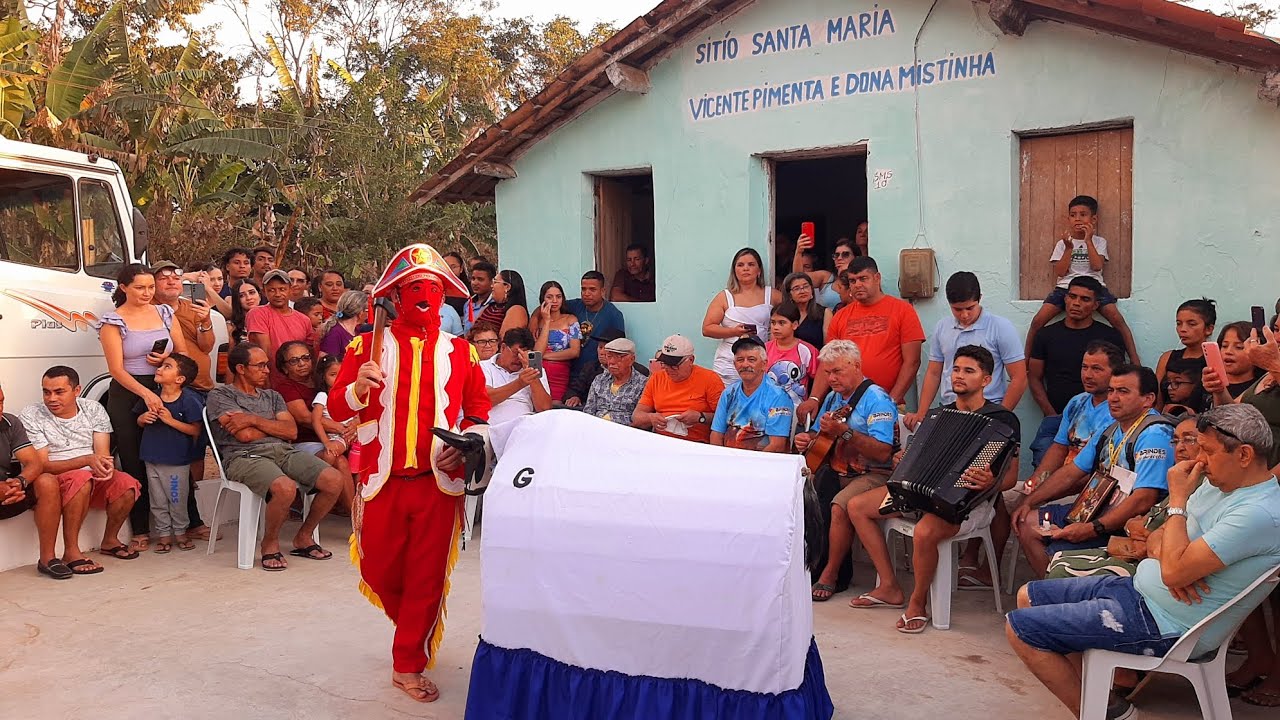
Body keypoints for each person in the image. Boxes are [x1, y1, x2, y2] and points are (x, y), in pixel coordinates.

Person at [1006, 404, 1280, 720]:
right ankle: (1104, 703)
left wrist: (1177, 505)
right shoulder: (1218, 485)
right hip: (1144, 591)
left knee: (1020, 629)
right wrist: (1173, 560)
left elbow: (1174, 566)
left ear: (1244, 455)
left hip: (1169, 624)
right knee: (1027, 596)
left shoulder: (1257, 513)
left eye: (1207, 450)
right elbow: (1154, 538)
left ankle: (1102, 714)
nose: (1198, 459)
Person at [327, 244, 491, 704]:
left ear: (445, 297)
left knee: (426, 578)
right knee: (378, 568)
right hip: (381, 480)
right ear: (395, 297)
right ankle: (414, 626)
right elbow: (338, 407)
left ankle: (408, 661)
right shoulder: (366, 345)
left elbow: (478, 414)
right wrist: (358, 388)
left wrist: (466, 447)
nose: (424, 296)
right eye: (414, 288)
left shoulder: (461, 352)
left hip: (439, 486)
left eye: (433, 289)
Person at [843, 346, 1020, 631]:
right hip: (920, 494)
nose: (959, 376)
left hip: (967, 501)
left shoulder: (1002, 421)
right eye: (956, 369)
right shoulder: (939, 415)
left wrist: (991, 482)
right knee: (857, 507)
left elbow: (1010, 477)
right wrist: (904, 459)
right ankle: (889, 585)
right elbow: (918, 456)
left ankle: (918, 602)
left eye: (969, 371)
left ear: (986, 379)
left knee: (925, 532)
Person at [959, 340, 1125, 591]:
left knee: (1019, 506)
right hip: (1059, 479)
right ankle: (985, 568)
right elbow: (1058, 448)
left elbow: (1091, 473)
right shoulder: (1078, 402)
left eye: (1097, 369)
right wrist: (1036, 481)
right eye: (1084, 367)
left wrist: (1040, 494)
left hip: (1085, 487)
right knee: (998, 494)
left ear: (1115, 373)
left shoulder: (1116, 411)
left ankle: (1051, 586)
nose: (1087, 375)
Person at [1012, 365, 1177, 579]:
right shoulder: (1111, 428)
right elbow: (1072, 472)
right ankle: (1054, 592)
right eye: (1111, 390)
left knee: (1056, 544)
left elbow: (1143, 499)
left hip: (1127, 524)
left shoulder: (1155, 434)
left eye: (1123, 391)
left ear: (1148, 399)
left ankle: (1061, 591)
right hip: (1098, 509)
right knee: (1028, 522)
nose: (1113, 398)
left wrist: (1092, 528)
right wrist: (1029, 500)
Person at [207, 344, 341, 570]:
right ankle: (269, 543)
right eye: (260, 366)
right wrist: (272, 427)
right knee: (285, 488)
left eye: (267, 365)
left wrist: (253, 419)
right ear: (241, 368)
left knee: (334, 480)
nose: (267, 370)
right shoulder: (221, 395)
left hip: (282, 451)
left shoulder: (272, 396)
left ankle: (304, 536)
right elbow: (245, 436)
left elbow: (291, 432)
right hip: (243, 456)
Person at [97, 264, 188, 552]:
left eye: (151, 287)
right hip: (128, 392)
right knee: (133, 458)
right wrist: (146, 394)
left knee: (172, 452)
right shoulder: (113, 321)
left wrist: (165, 357)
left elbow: (183, 353)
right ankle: (140, 526)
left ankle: (187, 522)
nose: (147, 293)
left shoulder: (164, 312)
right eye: (140, 287)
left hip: (165, 384)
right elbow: (116, 369)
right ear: (123, 287)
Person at [799, 340, 898, 601]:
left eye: (837, 372)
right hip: (838, 469)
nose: (831, 378)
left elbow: (883, 452)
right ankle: (807, 564)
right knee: (801, 493)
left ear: (856, 366)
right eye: (827, 373)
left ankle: (830, 574)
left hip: (874, 474)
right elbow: (825, 438)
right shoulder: (833, 397)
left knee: (840, 505)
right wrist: (809, 438)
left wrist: (846, 433)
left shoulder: (876, 399)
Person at [1044, 416, 1200, 581]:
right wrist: (1131, 526)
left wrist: (1145, 535)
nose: (1180, 448)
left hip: (1150, 563)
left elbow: (1151, 510)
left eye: (1189, 440)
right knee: (1057, 558)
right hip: (1132, 543)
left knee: (1061, 569)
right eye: (1176, 441)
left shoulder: (1200, 484)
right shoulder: (1179, 476)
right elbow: (1140, 521)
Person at [19, 366, 143, 572]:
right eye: (46, 392)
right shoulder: (32, 414)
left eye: (59, 392)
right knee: (81, 479)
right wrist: (86, 460)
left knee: (126, 484)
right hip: (54, 476)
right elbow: (41, 465)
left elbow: (102, 454)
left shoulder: (93, 408)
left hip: (88, 471)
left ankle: (110, 540)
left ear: (77, 390)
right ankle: (71, 551)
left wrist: (105, 468)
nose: (51, 398)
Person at [1023, 195, 1140, 364]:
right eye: (1073, 214)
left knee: (1118, 321)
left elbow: (1097, 266)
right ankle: (1025, 361)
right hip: (1065, 288)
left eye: (1083, 214)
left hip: (1094, 287)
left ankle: (1135, 360)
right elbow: (1061, 272)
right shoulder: (1063, 244)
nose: (1077, 219)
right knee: (1037, 321)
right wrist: (1069, 248)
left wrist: (1088, 241)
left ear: (1094, 219)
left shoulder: (1099, 242)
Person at [905, 272, 1026, 430]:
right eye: (957, 309)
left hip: (988, 412)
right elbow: (934, 373)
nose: (965, 315)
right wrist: (921, 413)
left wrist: (1000, 417)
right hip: (949, 412)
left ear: (980, 299)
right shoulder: (942, 327)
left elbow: (1019, 377)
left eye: (970, 308)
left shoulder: (1001, 327)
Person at [1027, 276, 1126, 465]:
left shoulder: (1109, 336)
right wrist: (1050, 413)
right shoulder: (1046, 335)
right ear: (1065, 299)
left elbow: (1119, 377)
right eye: (1072, 296)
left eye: (1085, 299)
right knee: (1043, 468)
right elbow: (1034, 377)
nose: (1076, 303)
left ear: (1096, 305)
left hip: (1101, 419)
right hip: (1056, 417)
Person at [808, 257, 924, 411]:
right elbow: (828, 362)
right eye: (853, 281)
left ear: (877, 278)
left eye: (863, 278)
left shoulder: (903, 310)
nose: (858, 285)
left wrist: (890, 402)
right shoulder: (840, 316)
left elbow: (912, 362)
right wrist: (814, 399)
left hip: (889, 402)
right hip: (846, 406)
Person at [0, 382, 76, 579]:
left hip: (10, 491)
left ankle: (48, 559)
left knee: (47, 481)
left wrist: (19, 483)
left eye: (1, 402)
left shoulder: (10, 423)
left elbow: (33, 462)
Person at [274, 341, 355, 514]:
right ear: (284, 367)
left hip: (336, 439)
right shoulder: (287, 387)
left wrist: (354, 425)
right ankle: (355, 519)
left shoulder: (325, 380)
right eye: (294, 361)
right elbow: (304, 418)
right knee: (339, 460)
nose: (302, 363)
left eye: (305, 358)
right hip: (306, 442)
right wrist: (342, 428)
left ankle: (354, 510)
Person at [136, 354, 205, 553]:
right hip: (152, 458)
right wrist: (143, 417)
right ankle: (164, 535)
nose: (159, 369)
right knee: (157, 500)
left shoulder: (189, 399)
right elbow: (138, 421)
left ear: (179, 379)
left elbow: (196, 430)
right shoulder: (151, 396)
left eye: (167, 366)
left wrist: (169, 420)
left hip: (176, 461)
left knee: (176, 498)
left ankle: (181, 532)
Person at [702, 248, 782, 385]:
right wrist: (734, 331)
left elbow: (787, 321)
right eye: (740, 265)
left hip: (762, 360)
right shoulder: (724, 297)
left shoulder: (773, 295)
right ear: (734, 271)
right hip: (729, 362)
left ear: (759, 270)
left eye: (751, 264)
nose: (746, 268)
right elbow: (707, 329)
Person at [632, 334, 725, 443]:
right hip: (661, 440)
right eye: (665, 364)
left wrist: (701, 417)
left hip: (696, 442)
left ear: (691, 360)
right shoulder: (657, 378)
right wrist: (651, 418)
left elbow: (725, 419)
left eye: (674, 365)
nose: (668, 369)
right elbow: (637, 416)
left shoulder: (710, 379)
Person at [709, 337, 793, 452]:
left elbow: (777, 446)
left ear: (764, 364)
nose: (745, 364)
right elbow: (716, 434)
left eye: (751, 359)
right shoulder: (729, 393)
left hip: (762, 463)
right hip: (727, 460)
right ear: (734, 364)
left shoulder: (778, 396)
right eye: (740, 360)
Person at [247, 269, 314, 387]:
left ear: (290, 289)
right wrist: (267, 384)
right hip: (268, 382)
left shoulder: (304, 320)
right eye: (271, 290)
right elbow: (265, 351)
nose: (277, 294)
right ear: (264, 292)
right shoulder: (257, 314)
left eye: (282, 289)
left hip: (298, 383)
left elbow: (309, 353)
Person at [1155, 297, 1216, 412]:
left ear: (1208, 329)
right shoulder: (1167, 358)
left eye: (1191, 324)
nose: (1183, 329)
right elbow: (1157, 400)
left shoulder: (1213, 359)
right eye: (1179, 324)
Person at [481, 327, 553, 425]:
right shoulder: (483, 366)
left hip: (524, 425)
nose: (519, 359)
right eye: (516, 353)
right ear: (502, 348)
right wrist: (520, 383)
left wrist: (532, 378)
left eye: (524, 354)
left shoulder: (535, 370)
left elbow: (544, 409)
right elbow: (485, 400)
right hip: (489, 426)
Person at [564, 328, 649, 408]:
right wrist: (574, 397)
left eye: (606, 349)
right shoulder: (591, 368)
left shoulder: (641, 374)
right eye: (600, 347)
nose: (602, 352)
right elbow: (574, 389)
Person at [565, 270, 626, 377]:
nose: (586, 293)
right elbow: (551, 305)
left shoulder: (614, 315)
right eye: (583, 289)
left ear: (603, 291)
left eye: (592, 289)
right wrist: (534, 319)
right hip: (571, 373)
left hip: (599, 374)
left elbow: (619, 349)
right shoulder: (575, 306)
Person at [529, 281, 582, 402]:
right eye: (549, 297)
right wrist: (546, 321)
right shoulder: (537, 322)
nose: (554, 300)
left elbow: (575, 351)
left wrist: (546, 355)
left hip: (559, 375)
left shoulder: (571, 320)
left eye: (558, 296)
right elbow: (536, 354)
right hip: (538, 374)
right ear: (543, 299)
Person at [581, 337, 648, 426]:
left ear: (632, 359)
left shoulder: (643, 384)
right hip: (596, 428)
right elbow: (588, 412)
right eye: (609, 357)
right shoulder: (599, 379)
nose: (612, 362)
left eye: (618, 357)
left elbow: (640, 421)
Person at [765, 302, 819, 406]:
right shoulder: (764, 349)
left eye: (782, 323)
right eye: (773, 322)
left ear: (794, 325)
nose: (775, 327)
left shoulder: (807, 350)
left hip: (797, 409)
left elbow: (820, 379)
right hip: (768, 407)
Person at [1206, 321, 1267, 403]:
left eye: (1239, 347)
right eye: (1224, 346)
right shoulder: (1209, 382)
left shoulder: (1262, 387)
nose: (1228, 351)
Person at [794, 236, 857, 310]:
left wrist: (848, 271)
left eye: (845, 254)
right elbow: (799, 278)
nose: (839, 258)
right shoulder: (827, 277)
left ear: (855, 257)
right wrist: (799, 251)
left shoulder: (860, 279)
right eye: (836, 255)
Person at [781, 272, 831, 349]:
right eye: (797, 288)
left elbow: (828, 346)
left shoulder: (825, 313)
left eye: (806, 286)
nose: (802, 291)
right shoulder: (781, 314)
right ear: (789, 294)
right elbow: (775, 343)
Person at [316, 290, 369, 360]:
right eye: (367, 310)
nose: (368, 314)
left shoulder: (356, 330)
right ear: (360, 312)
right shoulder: (334, 333)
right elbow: (325, 364)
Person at [478, 268, 529, 336]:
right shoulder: (490, 307)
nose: (491, 286)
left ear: (507, 287)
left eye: (495, 282)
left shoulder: (516, 310)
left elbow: (505, 340)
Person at [463, 261, 497, 331]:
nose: (475, 283)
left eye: (480, 279)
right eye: (473, 278)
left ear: (492, 281)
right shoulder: (468, 303)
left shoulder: (496, 305)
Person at [227, 280, 262, 348]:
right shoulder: (231, 327)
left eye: (252, 293)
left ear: (259, 296)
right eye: (242, 295)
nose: (249, 298)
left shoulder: (271, 319)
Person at [441, 251, 469, 317]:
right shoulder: (435, 288)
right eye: (446, 266)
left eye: (453, 267)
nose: (449, 270)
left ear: (461, 269)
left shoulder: (467, 291)